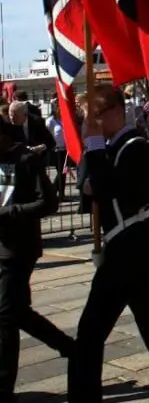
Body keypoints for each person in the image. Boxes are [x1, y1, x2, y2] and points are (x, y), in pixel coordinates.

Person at [68, 85, 149, 402]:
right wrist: (91, 147)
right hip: (119, 255)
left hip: (137, 253)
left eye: (96, 115)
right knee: (91, 335)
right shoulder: (107, 146)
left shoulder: (135, 145)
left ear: (115, 110)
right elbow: (86, 192)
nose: (92, 123)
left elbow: (103, 188)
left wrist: (97, 151)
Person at [0, 120, 74, 399]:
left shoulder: (26, 160)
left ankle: (4, 387)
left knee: (5, 316)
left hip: (19, 248)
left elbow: (49, 203)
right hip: (2, 244)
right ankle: (70, 348)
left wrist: (10, 213)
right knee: (16, 312)